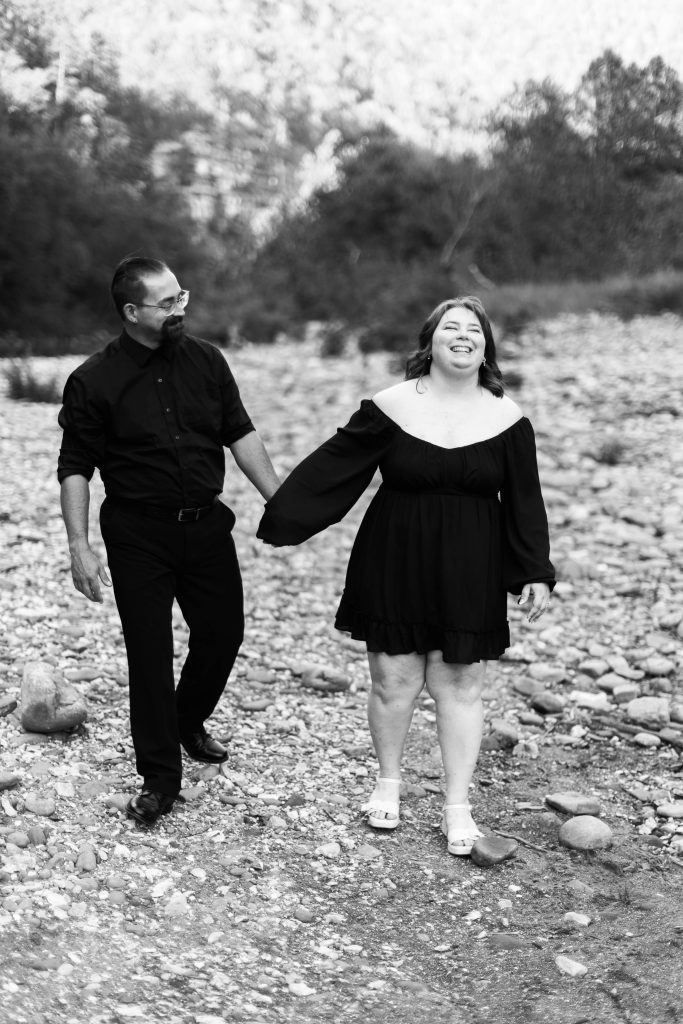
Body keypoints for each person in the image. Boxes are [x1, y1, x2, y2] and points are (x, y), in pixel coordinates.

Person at [257, 296, 554, 856]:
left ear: (486, 346)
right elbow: (335, 466)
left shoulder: (508, 418)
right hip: (395, 552)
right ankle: (387, 782)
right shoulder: (391, 406)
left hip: (472, 562)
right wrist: (285, 514)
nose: (462, 336)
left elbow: (524, 500)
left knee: (460, 685)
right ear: (430, 341)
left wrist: (535, 570)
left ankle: (457, 807)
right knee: (394, 682)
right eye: (451, 327)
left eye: (474, 329)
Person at [57, 256, 280, 827]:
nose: (182, 309)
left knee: (224, 634)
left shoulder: (207, 360)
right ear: (132, 312)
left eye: (183, 297)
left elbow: (240, 432)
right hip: (136, 533)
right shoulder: (93, 380)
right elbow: (76, 467)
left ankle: (187, 719)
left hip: (206, 524)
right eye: (168, 302)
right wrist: (79, 546)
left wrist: (279, 497)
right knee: (150, 654)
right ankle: (160, 778)